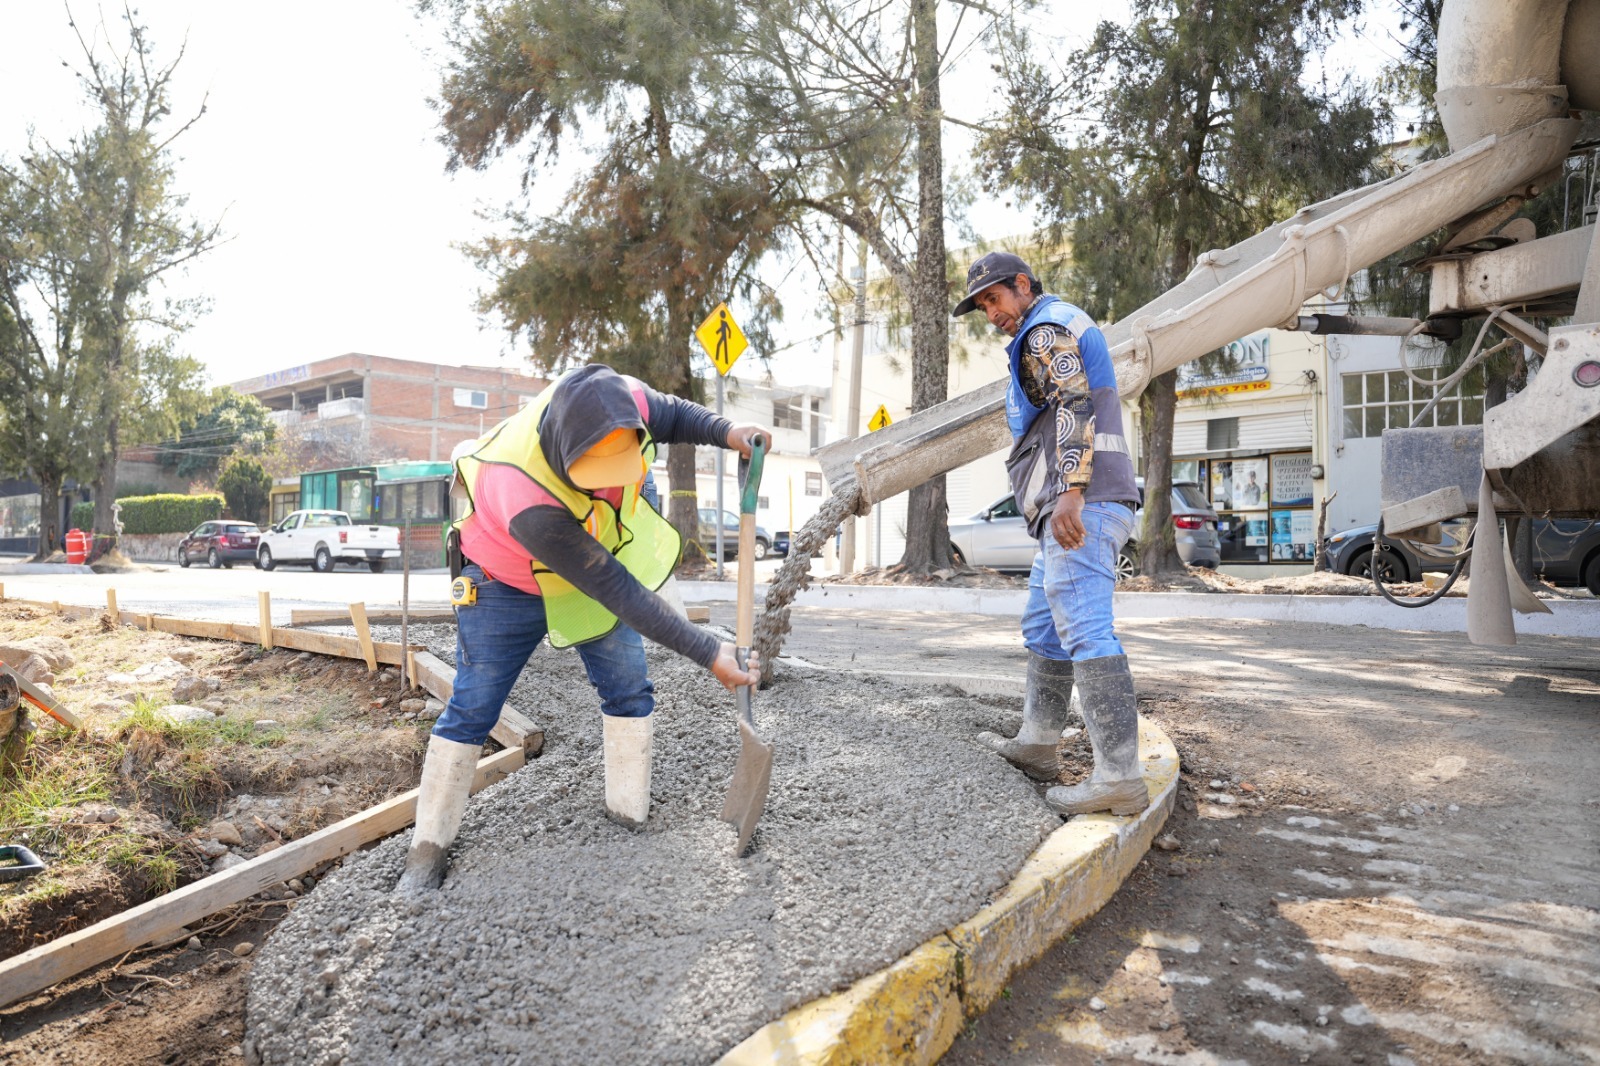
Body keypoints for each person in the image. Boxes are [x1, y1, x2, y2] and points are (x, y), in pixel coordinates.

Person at [400, 364, 768, 891]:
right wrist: (710, 652)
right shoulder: (524, 494)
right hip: (505, 580)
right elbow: (615, 589)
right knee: (475, 704)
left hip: (590, 567)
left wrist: (727, 431)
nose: (614, 483)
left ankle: (628, 818)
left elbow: (673, 414)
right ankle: (427, 851)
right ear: (565, 454)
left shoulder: (620, 402)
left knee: (628, 689)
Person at [953, 252, 1148, 818]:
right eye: (983, 306)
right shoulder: (1050, 325)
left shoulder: (1044, 330)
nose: (991, 313)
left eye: (995, 298)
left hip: (1084, 504)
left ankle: (1119, 777)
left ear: (1023, 284)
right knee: (1044, 625)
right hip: (1077, 505)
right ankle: (1038, 744)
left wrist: (1071, 489)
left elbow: (1074, 403)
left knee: (1084, 628)